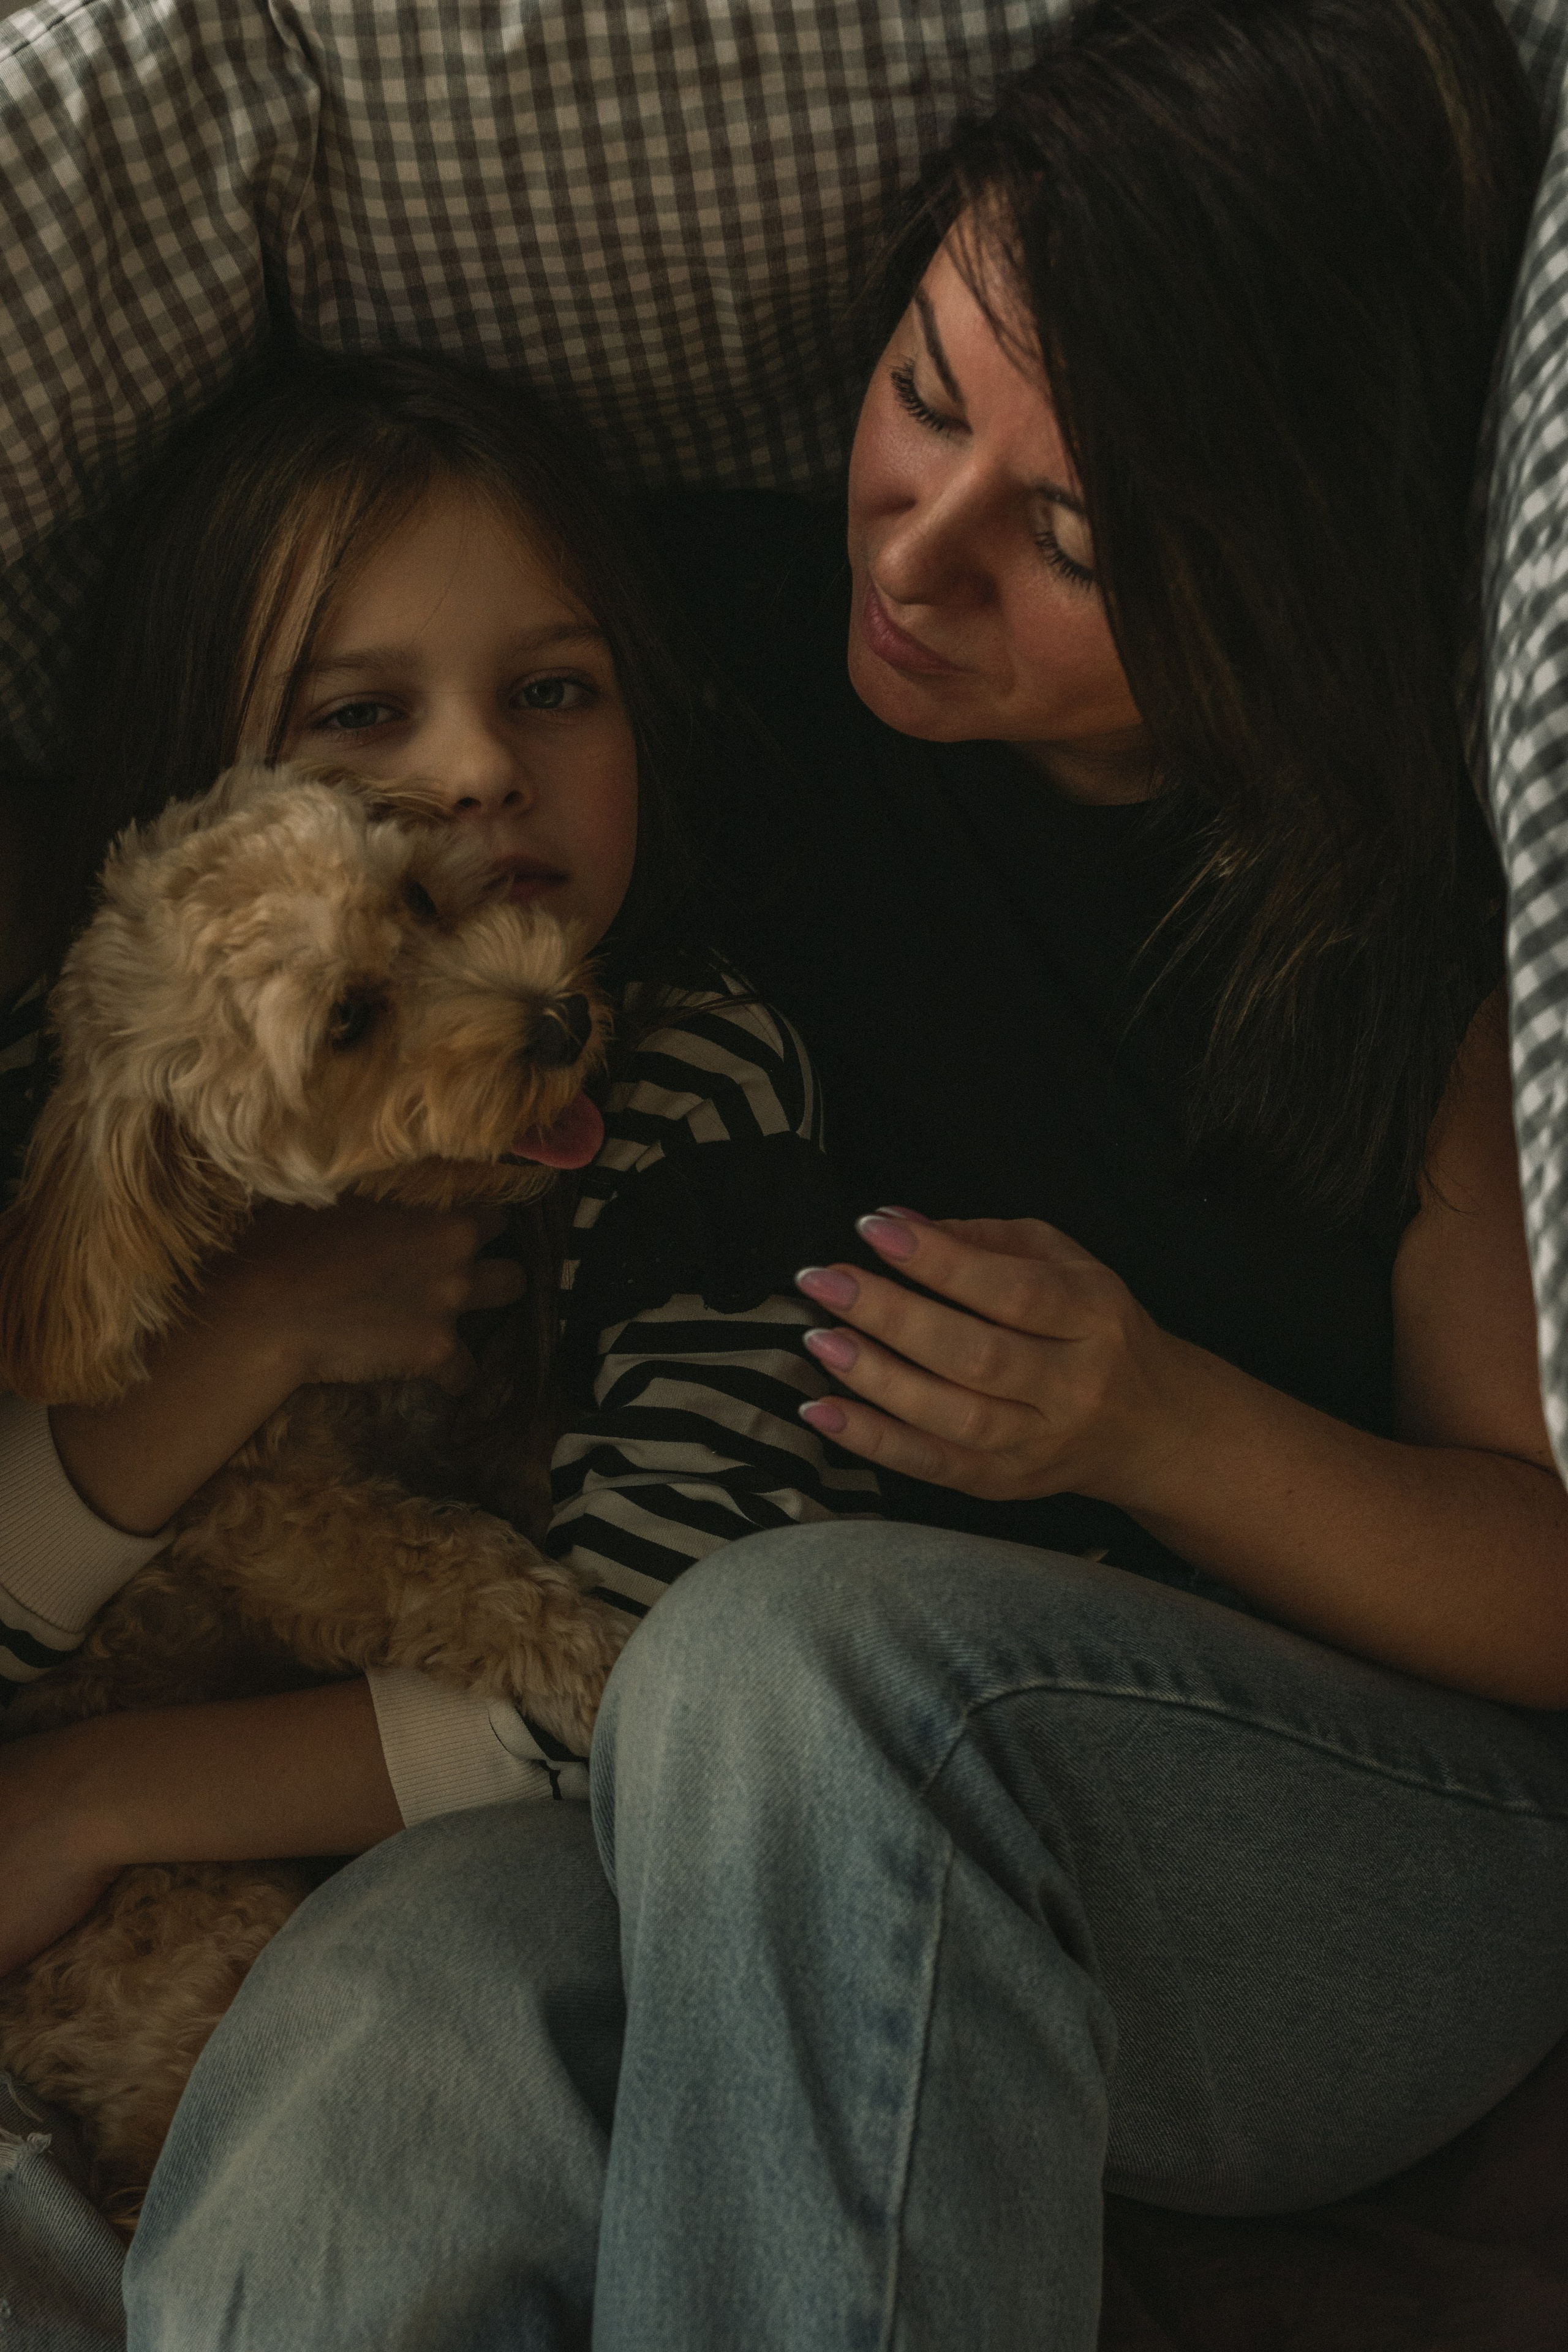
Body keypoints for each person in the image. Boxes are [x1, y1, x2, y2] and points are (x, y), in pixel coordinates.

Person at [10, 0, 1568, 2345]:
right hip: (692, 1826)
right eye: (922, 395)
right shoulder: (671, 672)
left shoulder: (1400, 930)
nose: (917, 556)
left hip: (1323, 1847)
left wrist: (1159, 1424)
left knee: (782, 1654)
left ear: (1284, 577)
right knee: (378, 2020)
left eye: (1063, 535)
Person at [0, 351, 877, 2187]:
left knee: (389, 2043)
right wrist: (229, 1356)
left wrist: (82, 1802)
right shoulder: (94, 1111)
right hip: (146, 1950)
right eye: (362, 718)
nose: (475, 771)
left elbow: (651, 1692)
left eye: (553, 689)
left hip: (459, 1875)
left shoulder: (686, 1092)